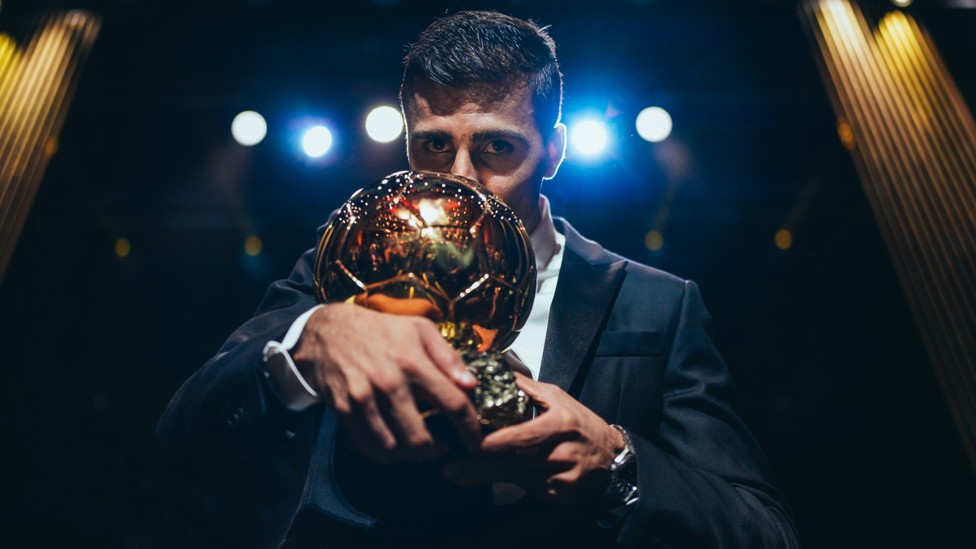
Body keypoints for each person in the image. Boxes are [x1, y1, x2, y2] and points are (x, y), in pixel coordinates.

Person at [158, 10, 800, 548]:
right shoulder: (347, 267)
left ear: (554, 150)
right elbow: (185, 439)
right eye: (434, 146)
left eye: (497, 147)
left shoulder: (658, 303)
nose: (459, 176)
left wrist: (617, 462)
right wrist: (304, 345)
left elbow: (762, 531)